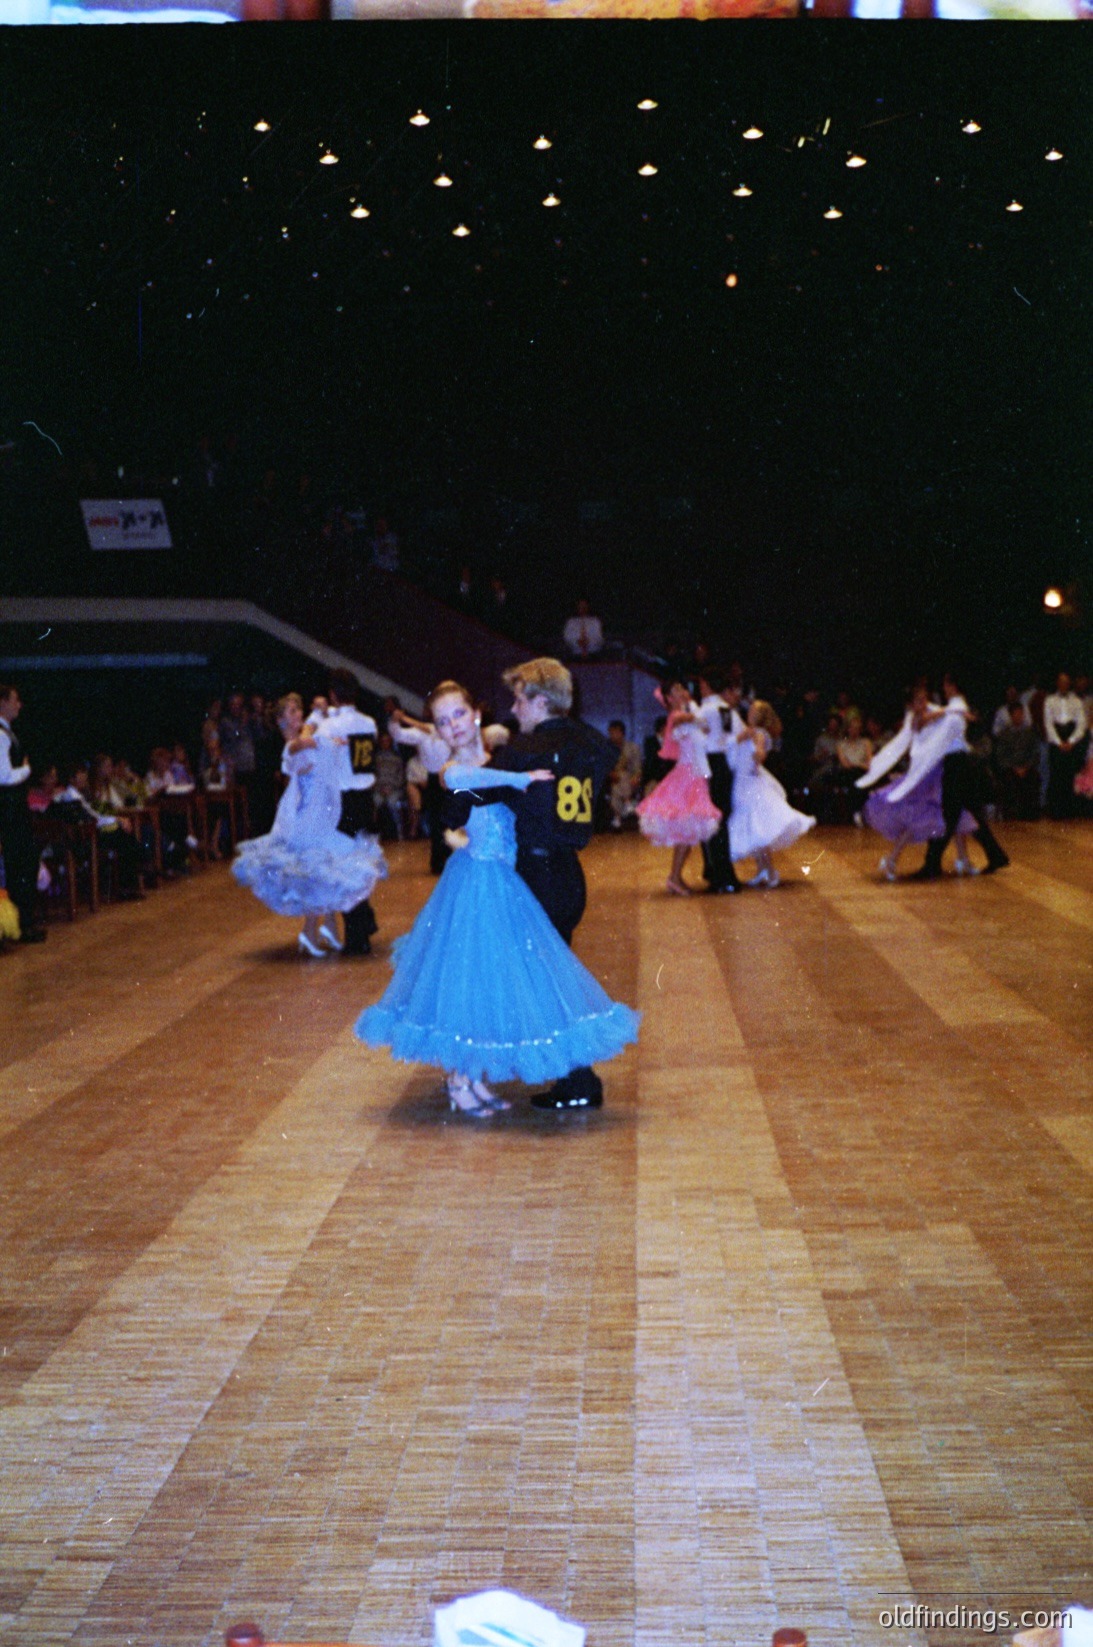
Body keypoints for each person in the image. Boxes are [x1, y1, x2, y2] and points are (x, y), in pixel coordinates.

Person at [355, 680, 638, 1117]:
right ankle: (458, 1079)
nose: (453, 725)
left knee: (489, 980)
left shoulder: (501, 757)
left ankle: (472, 1075)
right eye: (443, 720)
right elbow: (469, 782)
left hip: (509, 882)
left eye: (459, 714)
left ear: (476, 716)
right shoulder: (456, 771)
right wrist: (519, 779)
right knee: (468, 978)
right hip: (478, 881)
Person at [486, 657, 620, 1111]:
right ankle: (565, 1070)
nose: (514, 707)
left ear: (541, 701)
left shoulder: (524, 751)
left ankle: (578, 1077)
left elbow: (479, 797)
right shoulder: (593, 743)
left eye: (520, 698)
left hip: (536, 877)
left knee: (546, 981)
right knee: (550, 973)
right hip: (569, 875)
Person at [232, 692, 386, 957]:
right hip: (305, 815)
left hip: (323, 810)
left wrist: (330, 740)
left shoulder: (309, 737)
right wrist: (318, 732)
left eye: (298, 710)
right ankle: (311, 931)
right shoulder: (292, 744)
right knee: (314, 868)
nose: (298, 715)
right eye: (291, 712)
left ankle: (327, 926)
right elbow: (303, 744)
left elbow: (322, 747)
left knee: (325, 868)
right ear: (280, 721)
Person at [857, 686, 979, 879]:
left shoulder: (934, 712)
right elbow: (932, 718)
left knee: (956, 814)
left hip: (937, 771)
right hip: (923, 776)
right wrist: (954, 710)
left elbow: (945, 718)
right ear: (911, 705)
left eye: (924, 699)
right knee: (918, 819)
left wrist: (958, 713)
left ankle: (964, 859)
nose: (923, 703)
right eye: (918, 701)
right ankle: (891, 860)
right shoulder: (916, 719)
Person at [909, 673, 1010, 879]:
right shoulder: (956, 707)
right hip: (962, 764)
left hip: (958, 766)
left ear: (951, 685)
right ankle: (996, 855)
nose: (944, 688)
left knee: (948, 815)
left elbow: (941, 731)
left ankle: (932, 864)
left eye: (946, 684)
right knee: (971, 813)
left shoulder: (956, 707)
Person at [636, 679, 722, 896]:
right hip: (687, 777)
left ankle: (675, 877)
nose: (683, 692)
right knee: (687, 830)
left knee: (689, 832)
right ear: (669, 699)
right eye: (676, 691)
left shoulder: (684, 713)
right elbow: (700, 721)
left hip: (693, 775)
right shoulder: (676, 716)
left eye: (682, 688)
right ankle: (674, 877)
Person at [316, 670, 380, 954]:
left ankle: (358, 934)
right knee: (360, 862)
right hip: (366, 798)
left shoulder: (328, 727)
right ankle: (364, 922)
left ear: (332, 694)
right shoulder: (369, 723)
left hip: (342, 801)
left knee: (343, 867)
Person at [729, 701, 815, 888]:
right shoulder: (751, 731)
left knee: (759, 830)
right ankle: (762, 870)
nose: (749, 712)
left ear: (760, 716)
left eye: (753, 711)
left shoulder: (759, 733)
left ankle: (769, 870)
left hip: (751, 783)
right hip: (745, 782)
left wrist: (757, 753)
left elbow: (760, 752)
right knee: (755, 831)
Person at [0, 685, 45, 942]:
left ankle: (24, 923)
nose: (20, 705)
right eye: (15, 700)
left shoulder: (7, 733)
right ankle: (22, 925)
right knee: (20, 864)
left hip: (14, 810)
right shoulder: (2, 735)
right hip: (10, 811)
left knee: (23, 864)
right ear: (3, 702)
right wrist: (26, 769)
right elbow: (4, 777)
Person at [695, 670, 743, 893]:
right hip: (723, 763)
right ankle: (724, 874)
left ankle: (720, 876)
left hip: (709, 764)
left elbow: (699, 740)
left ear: (705, 684)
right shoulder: (725, 709)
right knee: (720, 819)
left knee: (712, 820)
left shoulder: (705, 709)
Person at [1043, 671, 1088, 820]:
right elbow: (1048, 723)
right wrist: (1058, 742)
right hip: (1057, 739)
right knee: (1056, 775)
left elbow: (1081, 724)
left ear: (1070, 684)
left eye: (1067, 682)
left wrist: (1072, 741)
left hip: (1071, 738)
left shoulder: (1076, 701)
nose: (1064, 684)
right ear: (1057, 683)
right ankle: (1056, 812)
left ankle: (1069, 811)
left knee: (1069, 775)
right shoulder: (1049, 700)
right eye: (1061, 681)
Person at [993, 701, 1041, 821]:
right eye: (1016, 714)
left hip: (1026, 767)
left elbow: (1035, 753)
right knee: (1009, 780)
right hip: (1010, 769)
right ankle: (1012, 814)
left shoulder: (1029, 732)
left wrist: (1026, 767)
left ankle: (1030, 814)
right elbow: (1001, 756)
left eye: (1021, 713)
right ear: (1010, 715)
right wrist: (1014, 768)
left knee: (1034, 778)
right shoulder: (1004, 734)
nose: (1019, 716)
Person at [605, 719, 642, 829]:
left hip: (631, 782)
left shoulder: (633, 748)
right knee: (619, 779)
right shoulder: (606, 749)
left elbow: (638, 768)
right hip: (612, 780)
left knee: (622, 778)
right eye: (611, 733)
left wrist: (636, 777)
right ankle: (627, 802)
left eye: (615, 732)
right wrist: (611, 774)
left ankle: (617, 817)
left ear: (622, 733)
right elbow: (604, 768)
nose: (612, 735)